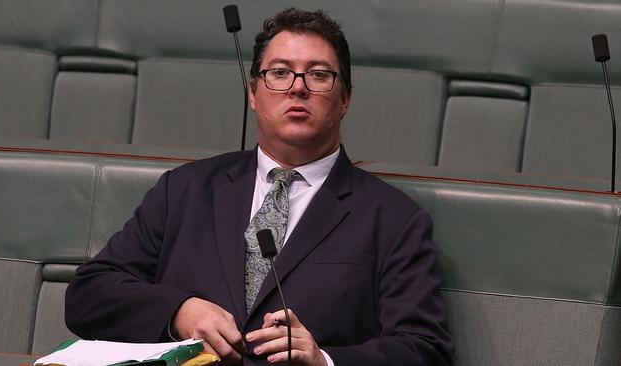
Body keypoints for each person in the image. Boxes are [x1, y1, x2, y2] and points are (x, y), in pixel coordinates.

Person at [65, 8, 453, 366]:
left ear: (345, 99)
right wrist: (179, 311)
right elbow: (89, 295)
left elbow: (425, 349)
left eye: (318, 75)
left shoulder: (394, 219)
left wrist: (324, 360)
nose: (297, 88)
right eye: (280, 72)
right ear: (253, 93)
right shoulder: (185, 190)